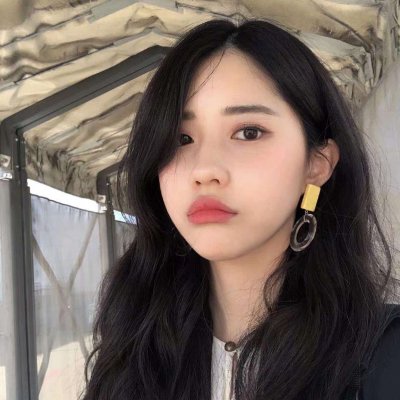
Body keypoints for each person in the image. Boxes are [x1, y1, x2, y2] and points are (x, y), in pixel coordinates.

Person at [80, 19, 400, 400]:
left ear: (317, 164)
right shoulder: (133, 347)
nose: (204, 170)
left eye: (248, 132)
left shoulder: (383, 357)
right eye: (181, 138)